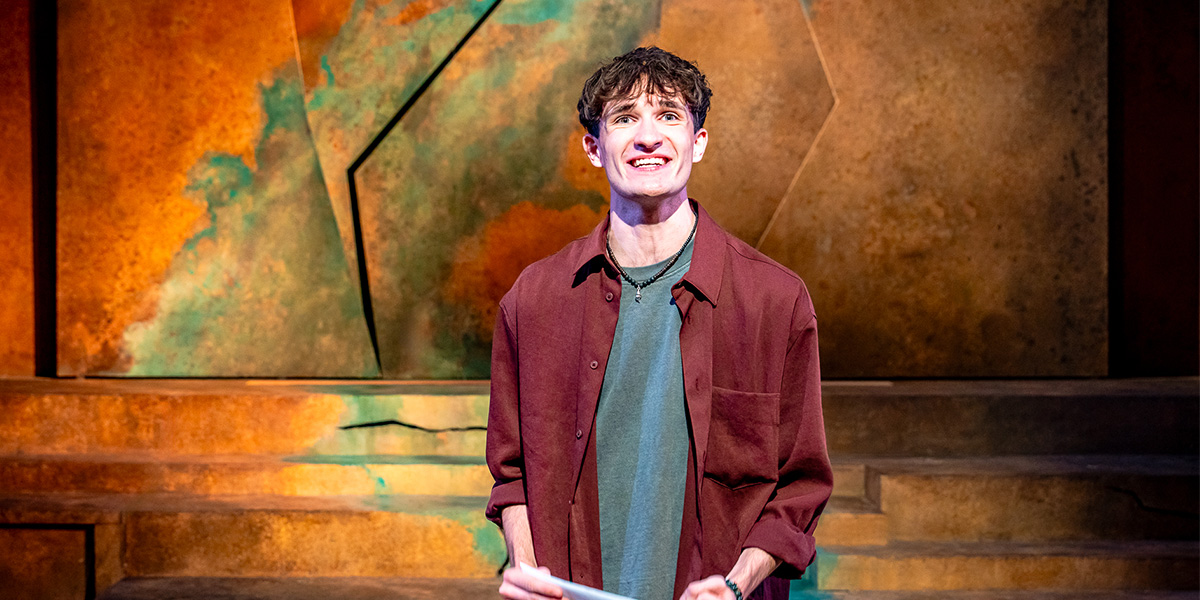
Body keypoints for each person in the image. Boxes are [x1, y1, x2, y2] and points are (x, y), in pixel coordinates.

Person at [485, 46, 832, 600]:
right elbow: (512, 476)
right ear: (595, 149)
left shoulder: (774, 299)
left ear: (697, 142)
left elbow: (799, 486)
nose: (648, 136)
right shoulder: (535, 299)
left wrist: (736, 586)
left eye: (668, 115)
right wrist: (529, 571)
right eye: (625, 118)